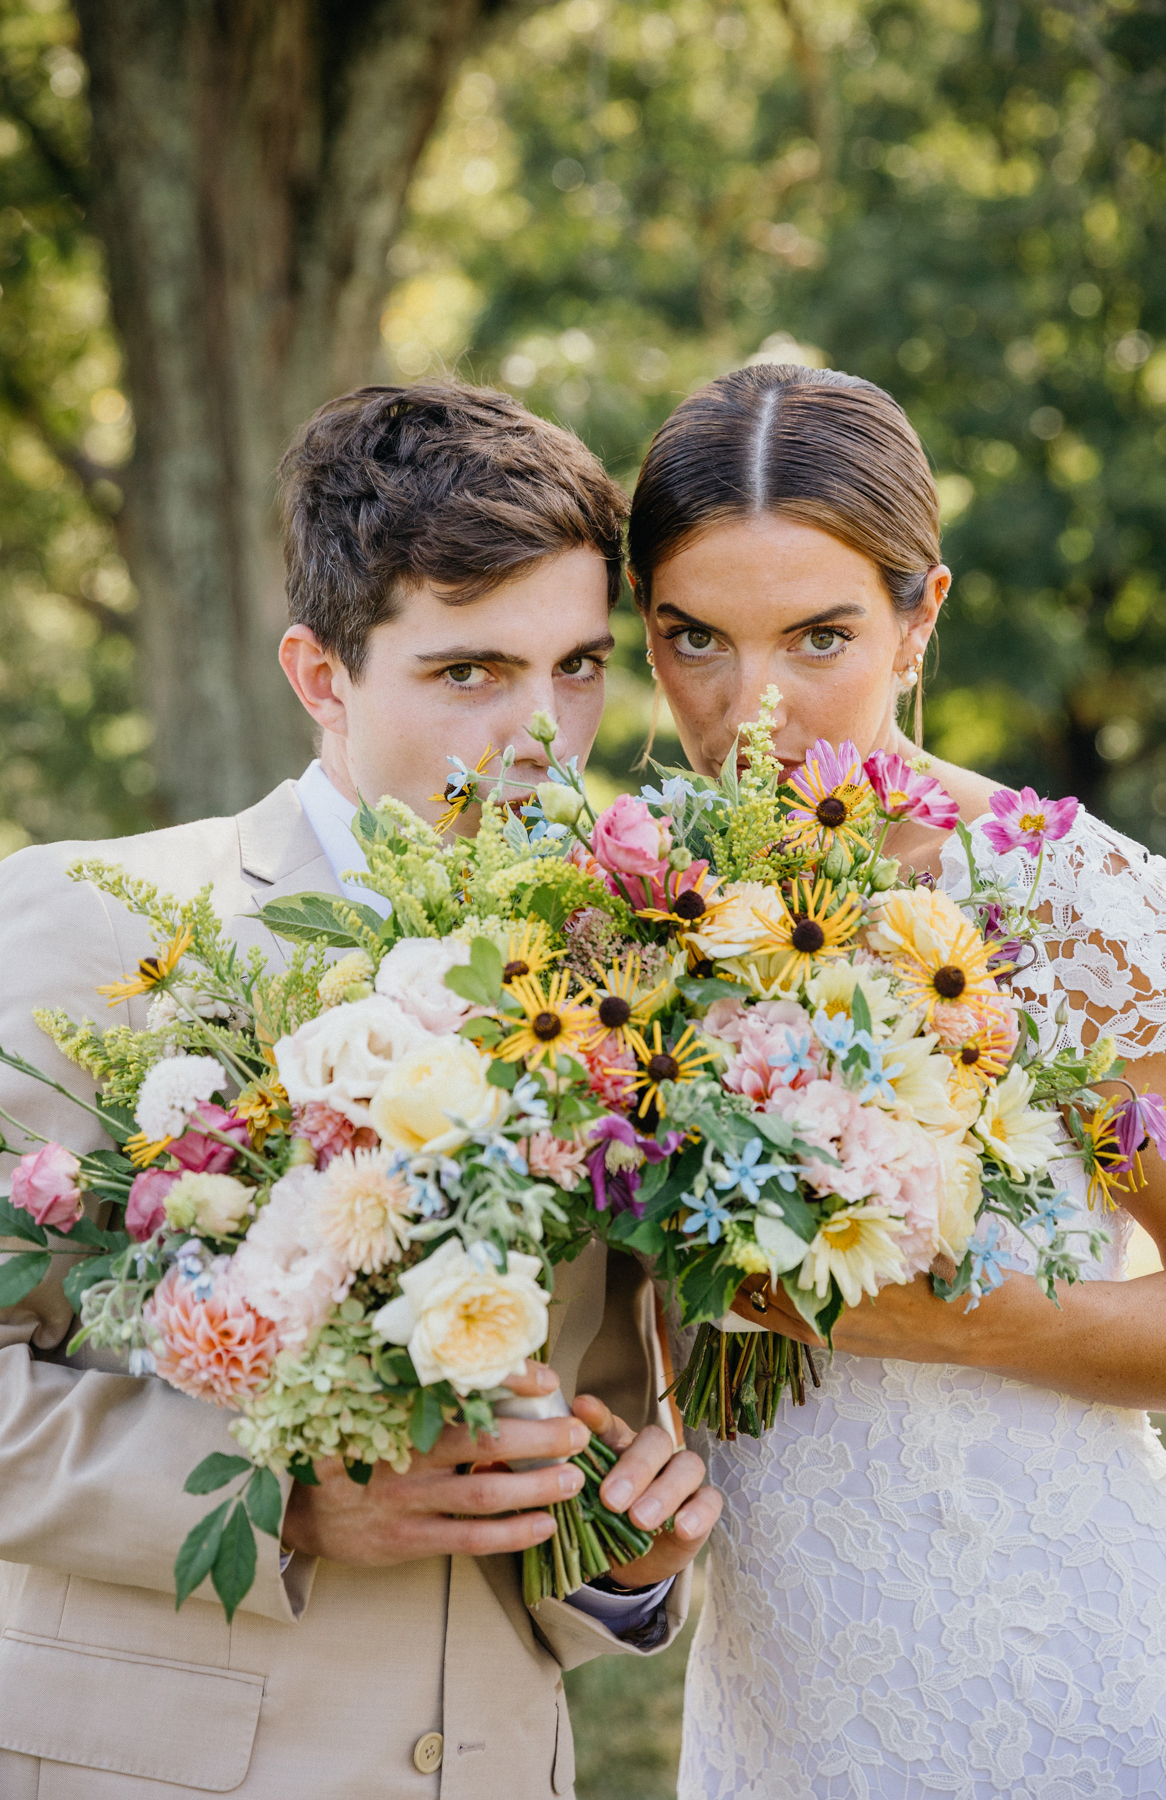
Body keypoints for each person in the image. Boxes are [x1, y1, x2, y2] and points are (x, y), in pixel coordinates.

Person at [0, 381, 719, 1800]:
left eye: (579, 666)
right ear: (322, 677)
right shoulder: (88, 929)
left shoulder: (628, 972)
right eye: (472, 673)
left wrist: (626, 1567)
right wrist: (288, 1505)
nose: (542, 737)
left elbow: (599, 1410)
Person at [627, 361, 1166, 1799]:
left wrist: (972, 1326)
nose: (755, 707)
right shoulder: (606, 915)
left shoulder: (1065, 891)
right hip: (780, 1713)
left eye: (820, 635)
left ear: (918, 616)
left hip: (1078, 1684)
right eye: (695, 638)